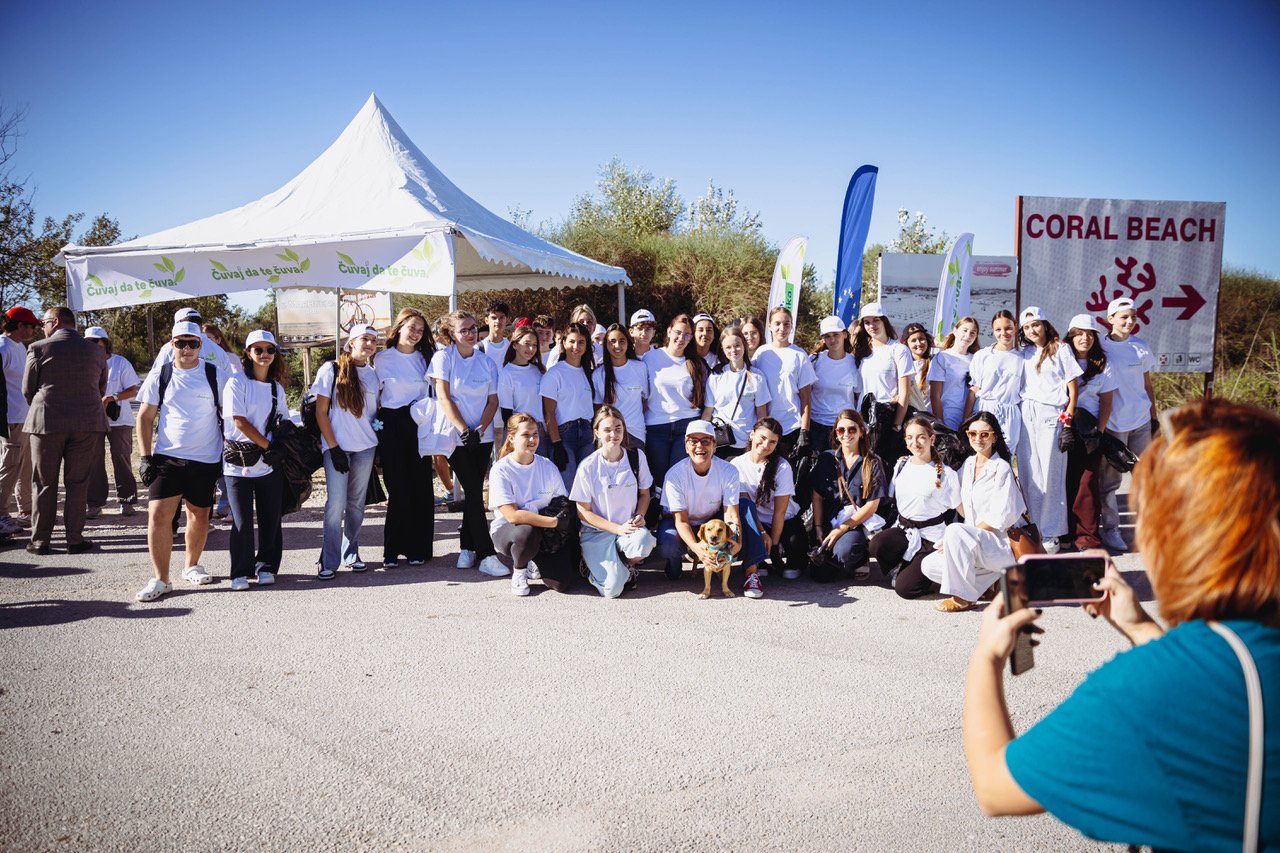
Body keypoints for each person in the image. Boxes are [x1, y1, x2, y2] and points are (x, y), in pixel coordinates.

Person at [963, 399, 1280, 851]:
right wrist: (1142, 629)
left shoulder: (1147, 685)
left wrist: (987, 656)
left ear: (1170, 539)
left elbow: (997, 787)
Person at [133, 321, 229, 600]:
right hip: (167, 458)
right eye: (181, 343)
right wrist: (145, 457)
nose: (187, 349)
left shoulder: (215, 375)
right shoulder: (160, 375)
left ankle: (192, 566)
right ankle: (161, 579)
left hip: (206, 459)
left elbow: (229, 414)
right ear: (171, 344)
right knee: (158, 515)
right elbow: (145, 418)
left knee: (199, 514)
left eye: (193, 343)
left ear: (201, 345)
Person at [22, 306, 109, 555]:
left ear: (56, 322)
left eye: (45, 322)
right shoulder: (96, 350)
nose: (43, 327)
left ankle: (40, 541)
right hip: (87, 423)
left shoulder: (38, 348)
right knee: (78, 483)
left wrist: (45, 407)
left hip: (47, 423)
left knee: (44, 482)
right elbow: (100, 386)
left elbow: (28, 389)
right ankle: (74, 539)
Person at [920, 411, 1025, 612]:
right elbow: (957, 499)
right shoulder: (968, 465)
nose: (978, 439)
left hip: (1000, 546)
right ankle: (990, 581)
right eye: (972, 434)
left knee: (955, 531)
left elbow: (999, 518)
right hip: (976, 545)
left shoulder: (1001, 468)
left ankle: (963, 598)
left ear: (994, 436)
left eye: (984, 434)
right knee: (929, 565)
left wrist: (961, 537)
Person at [656, 420, 767, 586]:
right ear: (686, 446)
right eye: (693, 441)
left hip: (711, 521)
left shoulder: (728, 470)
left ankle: (751, 572)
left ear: (715, 446)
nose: (699, 446)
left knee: (745, 506)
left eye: (705, 441)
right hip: (681, 522)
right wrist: (696, 548)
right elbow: (681, 520)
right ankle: (675, 563)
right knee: (668, 541)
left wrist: (736, 540)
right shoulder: (675, 475)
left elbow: (731, 513)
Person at [430, 310, 499, 571]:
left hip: (482, 437)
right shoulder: (443, 358)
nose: (470, 334)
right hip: (455, 437)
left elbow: (493, 401)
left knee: (472, 491)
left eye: (472, 328)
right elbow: (444, 397)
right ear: (452, 334)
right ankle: (486, 554)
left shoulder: (487, 362)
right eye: (463, 330)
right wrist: (463, 430)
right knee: (472, 490)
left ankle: (467, 548)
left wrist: (479, 430)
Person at [311, 324, 380, 579]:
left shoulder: (374, 375)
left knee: (356, 505)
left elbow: (374, 414)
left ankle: (351, 554)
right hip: (336, 448)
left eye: (374, 340)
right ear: (351, 343)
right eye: (365, 339)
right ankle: (329, 560)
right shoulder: (331, 369)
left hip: (365, 448)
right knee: (335, 504)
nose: (370, 344)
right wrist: (333, 447)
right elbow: (320, 412)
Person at [222, 330, 288, 590]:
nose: (264, 355)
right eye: (258, 350)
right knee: (241, 521)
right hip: (238, 463)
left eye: (269, 350)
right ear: (248, 353)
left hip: (268, 463)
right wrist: (268, 445)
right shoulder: (236, 383)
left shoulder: (276, 387)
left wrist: (285, 441)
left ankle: (267, 566)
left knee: (271, 518)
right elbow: (239, 420)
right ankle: (240, 571)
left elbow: (282, 419)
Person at [487, 413, 580, 595]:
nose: (532, 439)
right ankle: (519, 571)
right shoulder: (501, 469)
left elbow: (562, 502)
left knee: (561, 584)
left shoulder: (547, 466)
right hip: (511, 531)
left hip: (544, 531)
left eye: (535, 434)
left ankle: (534, 560)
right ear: (511, 438)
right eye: (526, 435)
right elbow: (513, 515)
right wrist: (553, 522)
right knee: (526, 531)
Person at [869, 416, 961, 598]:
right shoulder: (901, 465)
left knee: (905, 590)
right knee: (876, 544)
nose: (915, 442)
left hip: (930, 537)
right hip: (904, 529)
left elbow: (961, 509)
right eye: (910, 437)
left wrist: (960, 539)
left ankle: (928, 575)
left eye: (921, 437)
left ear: (931, 439)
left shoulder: (946, 474)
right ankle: (903, 562)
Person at [571, 406, 656, 598]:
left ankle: (626, 566)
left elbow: (644, 494)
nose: (613, 434)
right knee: (612, 591)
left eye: (618, 428)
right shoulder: (588, 466)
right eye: (607, 430)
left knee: (644, 541)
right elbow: (582, 511)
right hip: (597, 532)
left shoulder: (636, 457)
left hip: (628, 528)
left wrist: (640, 515)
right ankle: (591, 566)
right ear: (597, 432)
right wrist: (616, 529)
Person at [1016, 307, 1080, 554]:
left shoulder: (1060, 349)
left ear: (1044, 325)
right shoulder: (1023, 353)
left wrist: (1067, 423)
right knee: (1029, 471)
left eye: (1036, 325)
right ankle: (1034, 527)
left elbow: (1073, 392)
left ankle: (1051, 530)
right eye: (1028, 327)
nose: (1033, 330)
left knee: (1051, 473)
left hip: (1052, 413)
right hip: (1026, 412)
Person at [375, 308, 435, 567]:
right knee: (398, 487)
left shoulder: (426, 358)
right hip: (391, 425)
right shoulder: (381, 359)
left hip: (419, 424)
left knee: (420, 486)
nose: (415, 333)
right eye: (412, 327)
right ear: (399, 327)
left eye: (420, 330)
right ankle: (392, 550)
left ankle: (418, 548)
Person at [1098, 296, 1157, 553]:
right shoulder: (1100, 347)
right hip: (1114, 424)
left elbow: (1147, 385)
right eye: (1124, 317)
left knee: (1144, 479)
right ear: (1110, 319)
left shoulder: (1141, 347)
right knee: (1110, 483)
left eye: (1133, 317)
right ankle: (1111, 529)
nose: (1130, 321)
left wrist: (1154, 418)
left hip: (1141, 421)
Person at [809, 409, 887, 583]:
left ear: (861, 431)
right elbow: (817, 495)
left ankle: (860, 557)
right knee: (820, 575)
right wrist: (819, 527)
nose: (846, 434)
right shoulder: (827, 458)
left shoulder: (872, 461)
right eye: (841, 430)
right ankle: (841, 560)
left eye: (852, 429)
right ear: (836, 434)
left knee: (845, 552)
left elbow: (872, 505)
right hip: (830, 521)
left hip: (856, 524)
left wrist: (843, 528)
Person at [1061, 314, 1116, 553]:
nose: (1085, 338)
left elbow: (1106, 402)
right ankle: (1062, 532)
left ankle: (1086, 537)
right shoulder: (1059, 359)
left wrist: (1099, 433)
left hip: (1089, 430)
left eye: (1090, 334)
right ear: (1071, 336)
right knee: (1061, 481)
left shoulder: (1103, 365)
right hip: (1061, 428)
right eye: (1079, 333)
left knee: (1087, 483)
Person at [732, 417, 808, 583]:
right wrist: (762, 534)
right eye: (762, 438)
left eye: (772, 442)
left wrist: (773, 545)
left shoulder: (782, 466)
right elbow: (746, 507)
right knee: (744, 519)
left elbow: (780, 512)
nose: (766, 445)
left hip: (782, 519)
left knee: (795, 544)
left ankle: (785, 556)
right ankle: (757, 560)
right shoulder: (737, 464)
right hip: (755, 520)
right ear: (752, 435)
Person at [643, 313, 708, 491]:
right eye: (678, 332)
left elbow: (703, 398)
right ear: (669, 331)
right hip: (657, 426)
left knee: (678, 475)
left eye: (687, 335)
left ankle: (674, 516)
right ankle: (661, 516)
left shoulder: (695, 363)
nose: (681, 338)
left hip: (686, 425)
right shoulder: (650, 357)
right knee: (659, 478)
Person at [83, 327, 139, 518]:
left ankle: (127, 500)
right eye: (88, 342)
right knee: (94, 460)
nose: (92, 345)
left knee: (121, 459)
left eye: (96, 342)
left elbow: (133, 390)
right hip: (91, 421)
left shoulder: (120, 362)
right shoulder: (81, 363)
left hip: (119, 421)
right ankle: (95, 503)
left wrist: (112, 397)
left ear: (105, 343)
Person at [852, 302, 914, 467]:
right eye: (867, 322)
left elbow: (904, 393)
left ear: (884, 321)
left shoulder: (899, 350)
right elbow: (858, 392)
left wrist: (897, 426)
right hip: (864, 422)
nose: (872, 325)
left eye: (876, 320)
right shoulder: (861, 352)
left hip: (888, 420)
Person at [752, 306, 815, 457]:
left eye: (787, 324)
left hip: (791, 428)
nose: (782, 328)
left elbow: (806, 398)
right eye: (777, 323)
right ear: (769, 326)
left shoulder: (799, 355)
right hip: (766, 429)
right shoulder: (761, 354)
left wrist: (804, 432)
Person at [541, 321, 597, 490]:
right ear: (563, 343)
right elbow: (549, 413)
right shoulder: (555, 373)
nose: (576, 346)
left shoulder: (589, 373)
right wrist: (557, 444)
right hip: (564, 435)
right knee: (568, 485)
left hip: (587, 434)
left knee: (587, 486)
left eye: (581, 342)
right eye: (572, 341)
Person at [0, 306, 40, 535]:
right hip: (11, 419)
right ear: (19, 326)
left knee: (25, 469)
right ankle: (1, 515)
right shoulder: (3, 347)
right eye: (31, 326)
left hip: (25, 419)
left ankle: (25, 512)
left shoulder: (20, 347)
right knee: (8, 468)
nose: (34, 329)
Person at [703, 325, 770, 459]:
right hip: (720, 441)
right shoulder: (716, 375)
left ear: (744, 345)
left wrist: (760, 441)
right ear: (722, 349)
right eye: (728, 347)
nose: (733, 350)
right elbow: (708, 412)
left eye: (737, 345)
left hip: (745, 442)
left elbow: (761, 414)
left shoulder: (757, 376)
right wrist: (703, 437)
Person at [963, 310, 1025, 450]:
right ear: (993, 331)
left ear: (1015, 327)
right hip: (985, 409)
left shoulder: (1023, 358)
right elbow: (973, 390)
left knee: (1006, 454)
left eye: (1008, 328)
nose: (1004, 333)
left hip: (1010, 413)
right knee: (982, 452)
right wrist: (966, 420)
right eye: (998, 329)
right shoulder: (982, 355)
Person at [808, 316, 860, 453]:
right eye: (827, 336)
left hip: (844, 428)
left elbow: (858, 396)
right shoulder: (814, 361)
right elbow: (805, 393)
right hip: (816, 427)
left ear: (844, 335)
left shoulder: (855, 363)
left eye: (836, 335)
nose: (832, 340)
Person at [593, 323, 648, 449]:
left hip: (636, 433)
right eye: (612, 341)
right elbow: (597, 408)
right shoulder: (598, 374)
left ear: (628, 343)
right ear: (606, 345)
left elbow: (645, 399)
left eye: (621, 341)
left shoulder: (640, 368)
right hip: (609, 436)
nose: (617, 345)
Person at [499, 325, 549, 455]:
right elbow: (506, 412)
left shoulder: (538, 370)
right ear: (515, 345)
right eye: (527, 344)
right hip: (521, 431)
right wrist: (518, 435)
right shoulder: (507, 373)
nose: (531, 349)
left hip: (540, 430)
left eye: (534, 345)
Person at [148, 307, 239, 377]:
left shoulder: (168, 349)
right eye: (181, 344)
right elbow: (228, 382)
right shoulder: (219, 351)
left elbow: (156, 377)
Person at [928, 316, 980, 430]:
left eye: (972, 333)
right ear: (955, 331)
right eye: (965, 330)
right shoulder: (943, 357)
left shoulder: (976, 359)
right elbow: (934, 395)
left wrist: (968, 420)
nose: (968, 336)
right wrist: (941, 425)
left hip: (969, 418)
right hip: (947, 416)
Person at [901, 323, 934, 415]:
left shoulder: (935, 363)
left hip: (930, 417)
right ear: (906, 344)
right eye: (913, 340)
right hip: (910, 415)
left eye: (922, 339)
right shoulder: (903, 365)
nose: (918, 343)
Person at [477, 300, 511, 368]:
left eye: (501, 317)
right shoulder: (478, 349)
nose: (497, 321)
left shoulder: (511, 348)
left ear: (507, 320)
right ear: (486, 320)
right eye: (494, 318)